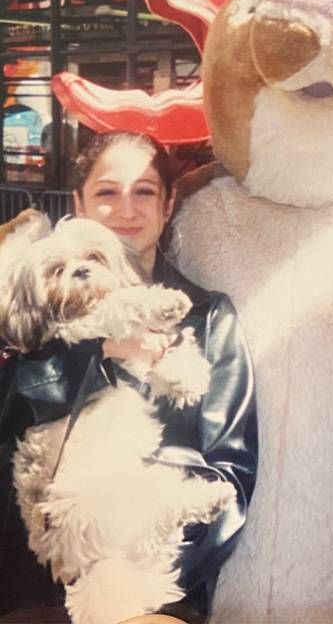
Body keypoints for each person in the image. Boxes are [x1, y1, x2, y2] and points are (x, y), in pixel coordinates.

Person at [0, 131, 257, 623]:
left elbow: (230, 469)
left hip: (150, 584)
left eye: (143, 192)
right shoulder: (32, 302)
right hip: (34, 583)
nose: (126, 210)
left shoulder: (206, 317)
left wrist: (130, 563)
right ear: (78, 203)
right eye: (106, 193)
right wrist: (98, 352)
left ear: (167, 205)